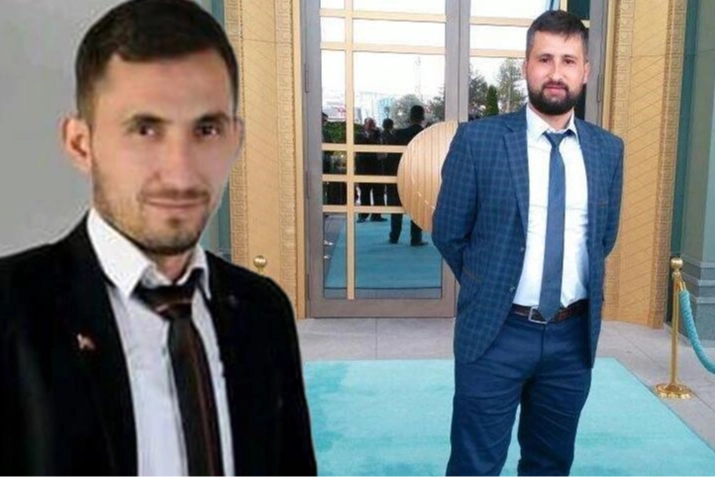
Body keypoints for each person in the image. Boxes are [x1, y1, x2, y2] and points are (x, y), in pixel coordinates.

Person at [0, 1, 317, 476]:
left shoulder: (262, 311)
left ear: (235, 139)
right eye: (145, 129)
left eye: (206, 129)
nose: (180, 171)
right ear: (81, 144)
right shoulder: (12, 312)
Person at [433, 10, 624, 477]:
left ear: (585, 71)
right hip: (495, 333)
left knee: (550, 465)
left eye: (568, 61)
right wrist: (488, 285)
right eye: (544, 59)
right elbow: (449, 231)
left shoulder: (607, 149)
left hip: (571, 340)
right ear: (526, 67)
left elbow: (602, 238)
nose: (556, 73)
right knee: (475, 466)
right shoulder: (478, 141)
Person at [393, 105, 428, 246]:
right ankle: (416, 238)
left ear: (410, 116)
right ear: (422, 117)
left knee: (397, 204)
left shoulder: (399, 133)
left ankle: (394, 235)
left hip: (401, 171)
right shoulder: (424, 134)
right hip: (417, 173)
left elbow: (393, 155)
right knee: (417, 206)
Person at [355, 117, 386, 222]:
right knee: (365, 193)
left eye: (373, 124)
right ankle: (363, 215)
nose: (372, 126)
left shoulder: (379, 135)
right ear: (365, 125)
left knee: (378, 192)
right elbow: (360, 149)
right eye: (370, 124)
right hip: (364, 168)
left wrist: (377, 134)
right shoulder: (359, 135)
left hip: (377, 167)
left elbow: (383, 145)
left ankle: (377, 215)